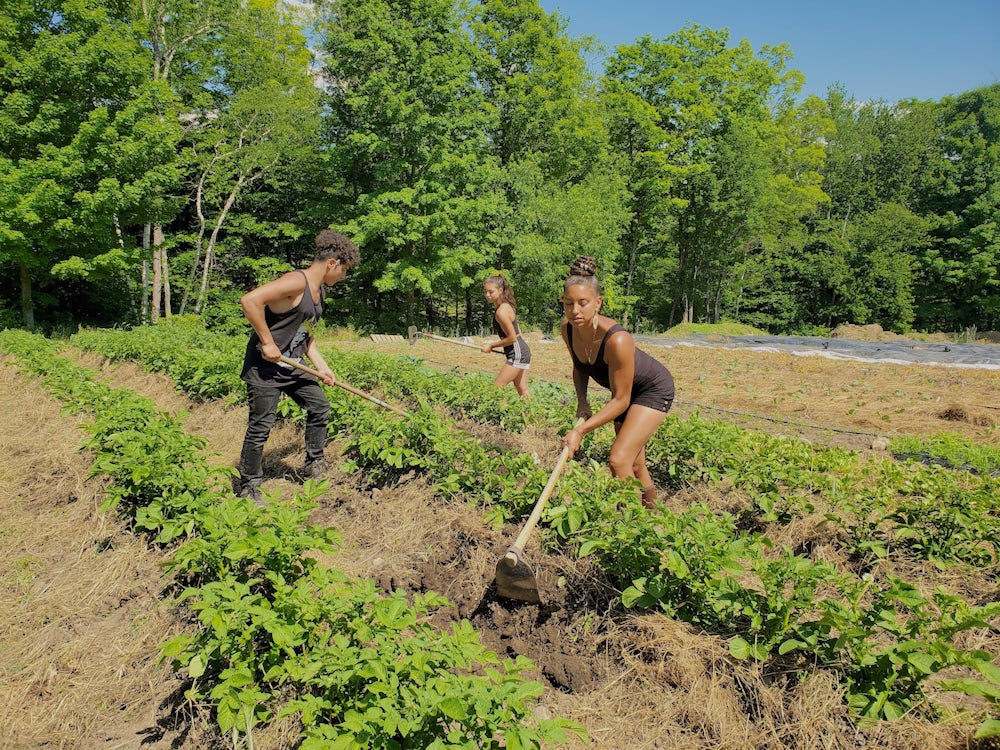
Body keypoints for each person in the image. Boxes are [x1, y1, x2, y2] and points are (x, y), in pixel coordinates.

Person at [236, 229, 360, 503]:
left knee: (319, 406)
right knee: (261, 426)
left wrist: (322, 366)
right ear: (332, 263)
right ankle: (249, 485)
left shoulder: (319, 293)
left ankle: (313, 464)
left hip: (293, 366)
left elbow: (305, 335)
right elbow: (250, 300)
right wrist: (267, 342)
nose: (343, 276)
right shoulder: (295, 282)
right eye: (344, 270)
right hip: (265, 368)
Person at [559, 256, 674, 508]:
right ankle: (655, 518)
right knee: (634, 462)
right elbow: (580, 368)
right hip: (625, 393)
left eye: (583, 303)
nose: (575, 310)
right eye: (568, 303)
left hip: (651, 390)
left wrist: (580, 431)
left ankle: (632, 527)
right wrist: (582, 402)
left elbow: (621, 400)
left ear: (597, 303)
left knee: (619, 460)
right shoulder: (567, 329)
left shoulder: (617, 339)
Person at [481, 274, 531, 399]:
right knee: (521, 388)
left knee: (497, 388)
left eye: (491, 291)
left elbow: (512, 338)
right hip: (519, 351)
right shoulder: (506, 305)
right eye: (485, 292)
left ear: (500, 290)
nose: (487, 295)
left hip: (517, 352)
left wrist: (491, 345)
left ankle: (503, 414)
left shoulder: (501, 312)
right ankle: (530, 417)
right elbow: (518, 331)